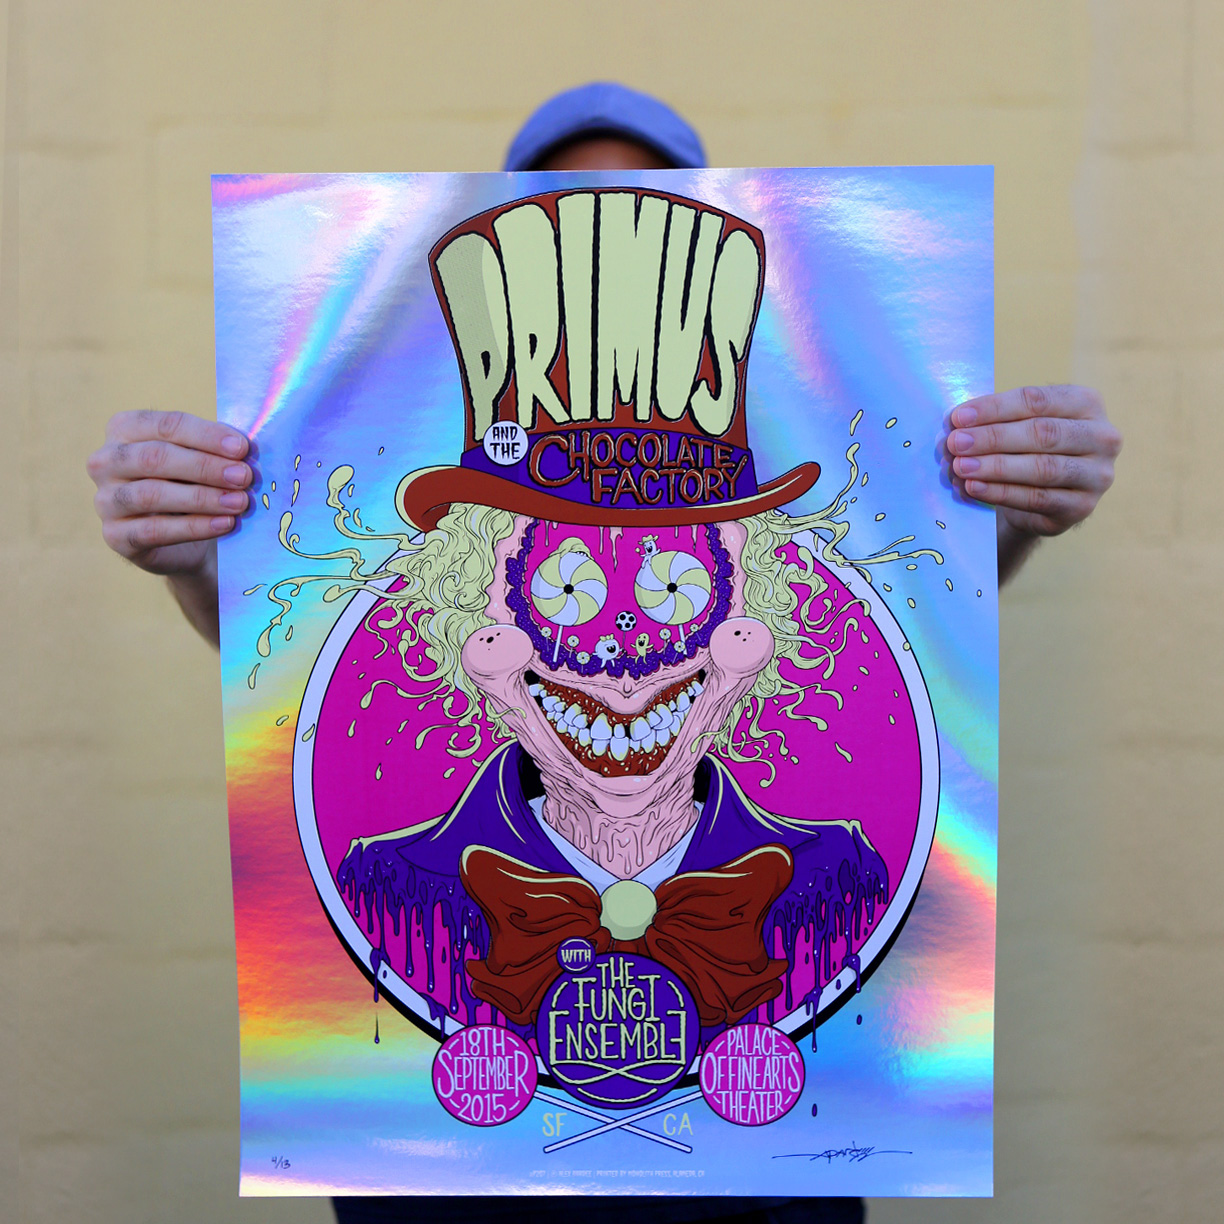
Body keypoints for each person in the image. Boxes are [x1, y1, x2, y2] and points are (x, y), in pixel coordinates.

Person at [85, 83, 1122, 1223]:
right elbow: (284, 654)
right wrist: (194, 551)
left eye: (673, 586)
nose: (623, 658)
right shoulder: (388, 888)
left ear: (746, 626)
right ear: (483, 624)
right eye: (568, 589)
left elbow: (923, 602)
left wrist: (1011, 508)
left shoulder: (838, 881)